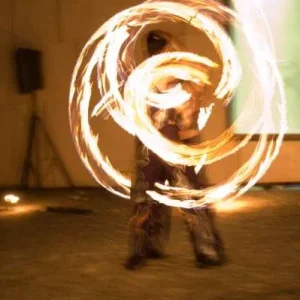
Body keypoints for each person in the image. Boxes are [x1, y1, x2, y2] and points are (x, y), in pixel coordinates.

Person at [125, 30, 225, 270]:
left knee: (189, 197)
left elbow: (189, 126)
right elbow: (136, 118)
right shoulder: (142, 83)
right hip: (149, 151)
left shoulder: (181, 83)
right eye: (166, 49)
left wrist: (188, 146)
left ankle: (207, 249)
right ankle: (145, 248)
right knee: (145, 198)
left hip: (176, 150)